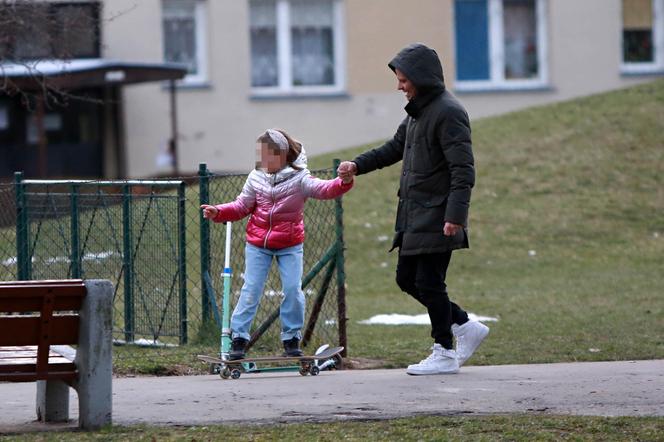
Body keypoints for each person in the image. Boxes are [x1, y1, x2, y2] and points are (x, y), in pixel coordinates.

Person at [337, 43, 488, 375]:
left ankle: (444, 351)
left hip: (438, 214)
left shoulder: (449, 112)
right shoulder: (419, 111)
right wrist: (357, 165)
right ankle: (463, 324)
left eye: (404, 80)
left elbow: (463, 170)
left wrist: (455, 216)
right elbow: (394, 148)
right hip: (414, 213)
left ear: (421, 78)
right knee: (407, 278)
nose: (399, 86)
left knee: (430, 282)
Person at [202, 128, 353, 360]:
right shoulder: (256, 177)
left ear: (281, 155)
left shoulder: (300, 178)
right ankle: (239, 339)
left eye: (266, 156)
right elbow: (242, 206)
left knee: (293, 290)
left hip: (290, 244)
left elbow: (324, 189)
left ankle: (291, 339)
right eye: (259, 155)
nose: (261, 160)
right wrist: (218, 211)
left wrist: (343, 181)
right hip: (257, 244)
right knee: (251, 290)